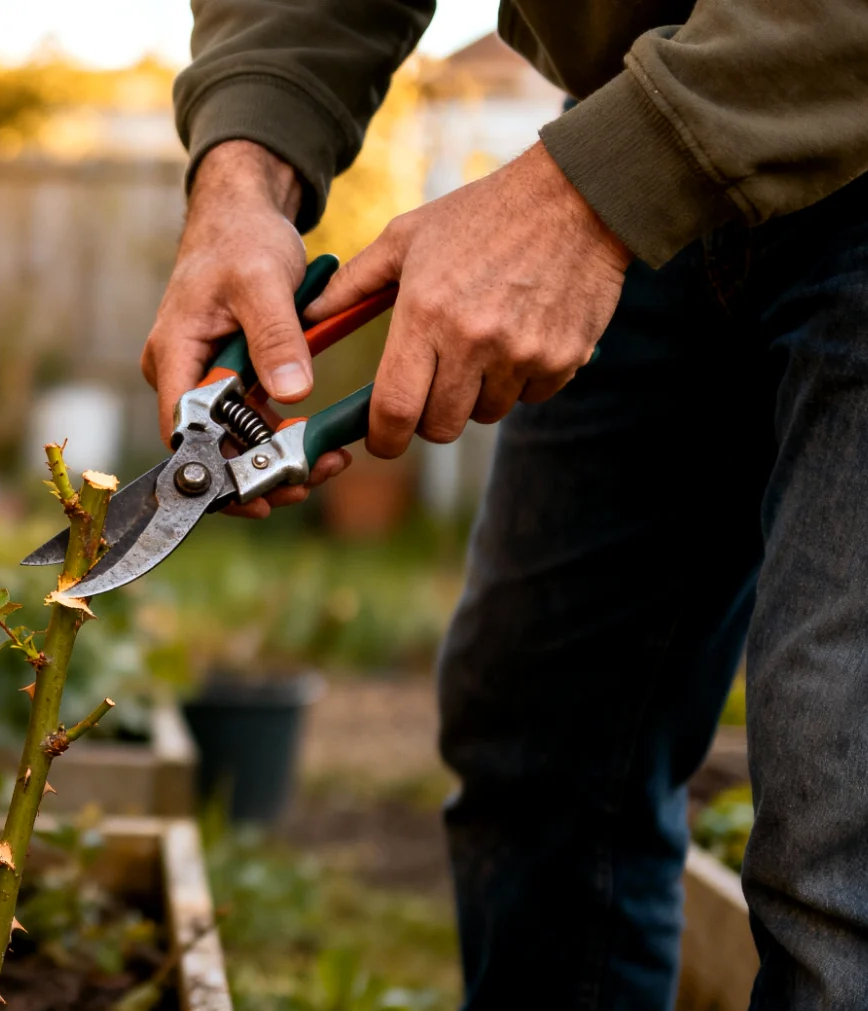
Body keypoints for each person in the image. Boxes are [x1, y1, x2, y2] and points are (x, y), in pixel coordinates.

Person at [145, 2, 868, 1008]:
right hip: (643, 134)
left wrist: (597, 187)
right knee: (547, 761)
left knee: (844, 854)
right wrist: (244, 170)